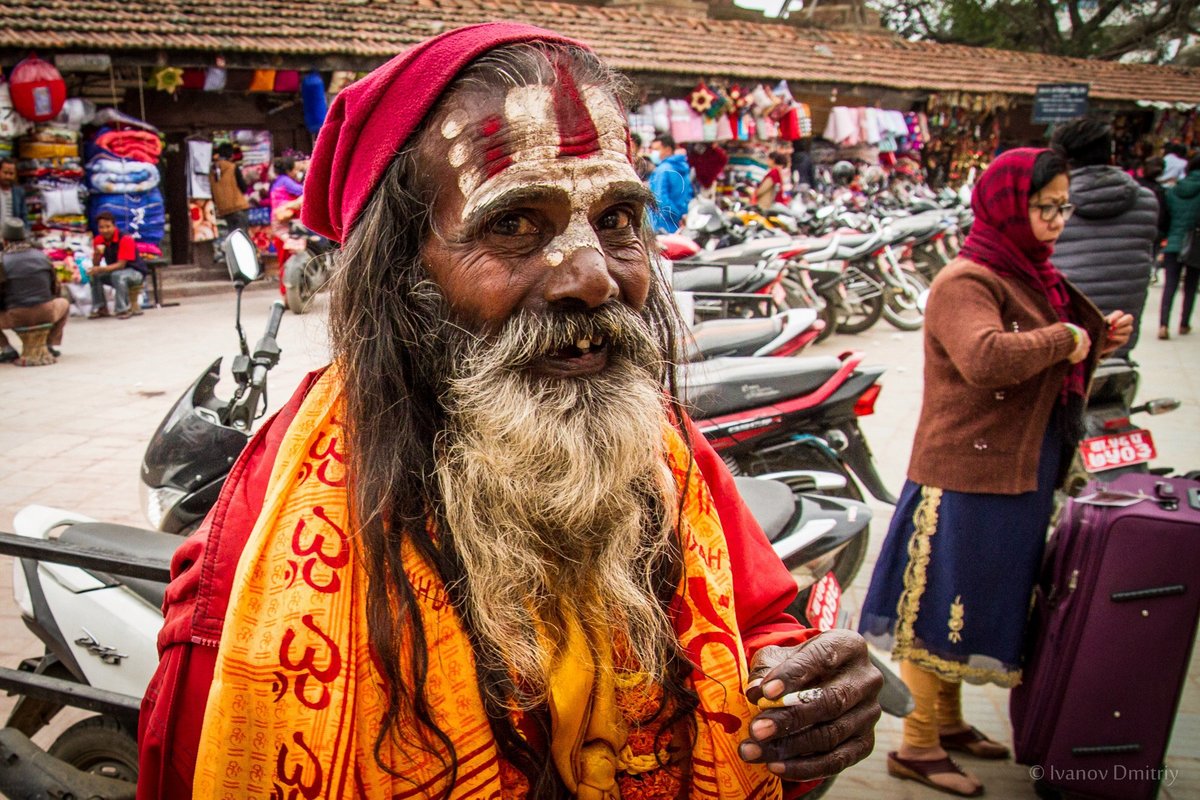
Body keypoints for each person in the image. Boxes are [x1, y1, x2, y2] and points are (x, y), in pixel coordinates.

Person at [137, 23, 883, 799]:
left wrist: (799, 689)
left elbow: (759, 620)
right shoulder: (275, 535)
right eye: (514, 223)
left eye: (616, 221)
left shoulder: (659, 443)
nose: (593, 277)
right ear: (401, 272)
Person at [858, 148, 1129, 798]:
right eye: (1044, 206)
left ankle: (948, 723)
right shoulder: (967, 281)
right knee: (939, 604)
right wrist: (1066, 340)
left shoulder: (1033, 274)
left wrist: (1093, 338)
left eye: (1064, 206)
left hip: (1015, 468)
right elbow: (984, 357)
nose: (1057, 219)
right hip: (965, 472)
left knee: (973, 603)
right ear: (1007, 205)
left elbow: (1043, 346)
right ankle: (917, 743)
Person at [1049, 118, 1157, 358]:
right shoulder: (1146, 201)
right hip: (1120, 335)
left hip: (1065, 337)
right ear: (1111, 154)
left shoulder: (1051, 204)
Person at [0, 217, 69, 361]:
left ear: (5, 241)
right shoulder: (41, 256)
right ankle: (49, 343)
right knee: (64, 303)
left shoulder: (2, 260)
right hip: (46, 312)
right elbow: (54, 286)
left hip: (16, 315)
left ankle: (6, 348)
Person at [1160, 154, 1200, 338]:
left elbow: (1165, 219)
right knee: (1190, 285)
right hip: (1195, 245)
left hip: (1173, 242)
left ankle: (1163, 324)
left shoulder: (1174, 190)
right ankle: (1184, 323)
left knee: (1170, 285)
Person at [89, 211, 146, 319]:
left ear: (114, 226)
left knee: (118, 275)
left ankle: (122, 309)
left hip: (134, 272)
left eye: (108, 227)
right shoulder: (99, 240)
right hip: (114, 271)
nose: (105, 230)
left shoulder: (125, 239)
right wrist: (97, 254)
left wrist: (101, 269)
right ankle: (100, 308)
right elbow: (95, 264)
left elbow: (121, 265)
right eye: (101, 227)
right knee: (94, 275)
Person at [269, 155, 305, 294]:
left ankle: (286, 294)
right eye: (295, 169)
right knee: (288, 260)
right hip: (284, 227)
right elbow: (303, 191)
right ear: (289, 170)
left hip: (278, 227)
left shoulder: (277, 181)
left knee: (283, 261)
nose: (296, 172)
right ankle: (287, 293)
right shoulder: (286, 181)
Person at [647, 133, 692, 232]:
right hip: (680, 224)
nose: (653, 153)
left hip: (663, 225)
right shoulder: (683, 168)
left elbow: (660, 199)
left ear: (667, 149)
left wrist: (676, 215)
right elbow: (689, 195)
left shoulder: (662, 170)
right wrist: (681, 216)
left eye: (656, 149)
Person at [210, 143, 250, 236]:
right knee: (242, 236)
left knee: (232, 236)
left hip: (224, 209)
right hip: (239, 206)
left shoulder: (212, 170)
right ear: (231, 155)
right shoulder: (233, 167)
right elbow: (243, 187)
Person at [0, 158, 26, 223]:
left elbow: (24, 217)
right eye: (5, 173)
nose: (8, 176)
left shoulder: (19, 192)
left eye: (11, 173)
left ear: (15, 175)